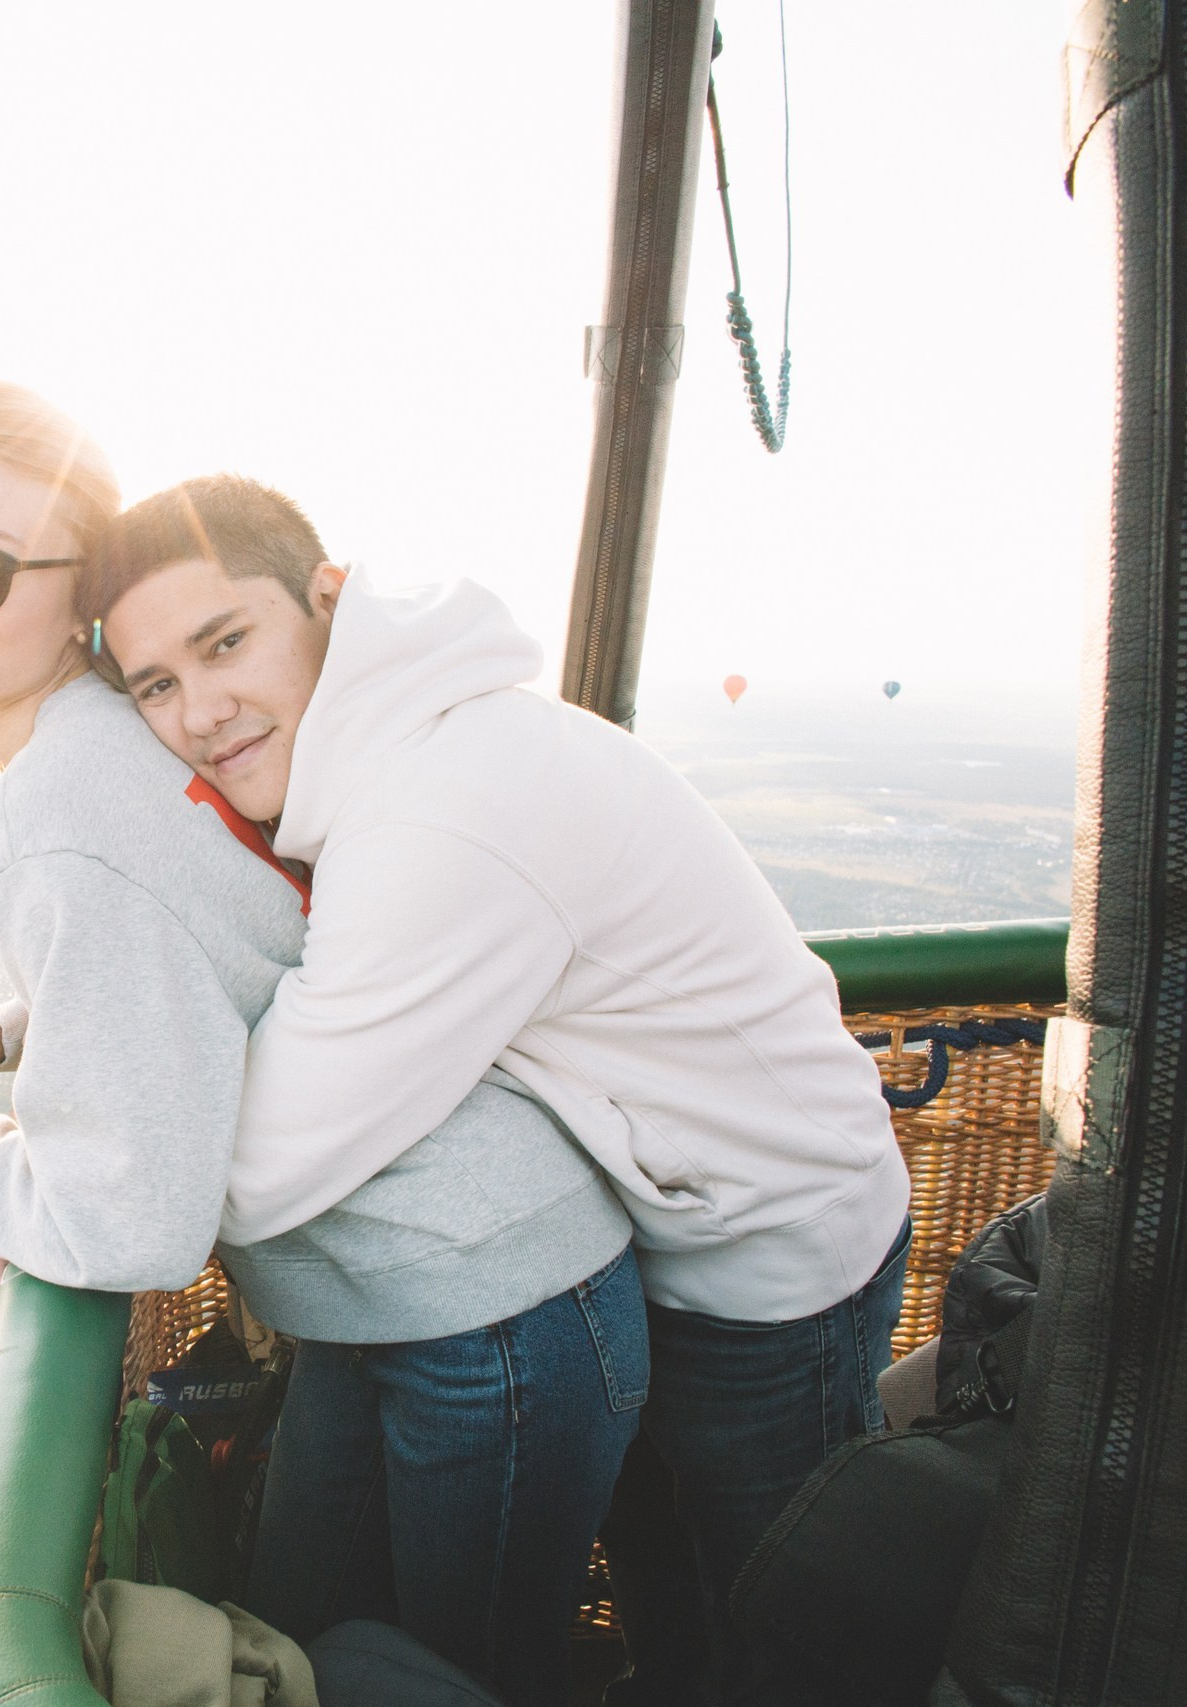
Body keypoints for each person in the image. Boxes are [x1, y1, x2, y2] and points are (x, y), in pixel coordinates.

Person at [0, 382, 646, 1707]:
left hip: (494, 1309)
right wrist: (2, 1030)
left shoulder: (64, 801)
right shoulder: (113, 743)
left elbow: (127, 1224)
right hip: (409, 1292)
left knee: (456, 1678)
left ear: (78, 595)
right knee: (297, 1634)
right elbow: (203, 952)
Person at [87, 473, 912, 1707]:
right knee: (669, 1607)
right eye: (155, 684)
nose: (202, 709)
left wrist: (59, 1186)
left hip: (769, 1257)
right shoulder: (385, 750)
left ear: (327, 599)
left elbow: (253, 1172)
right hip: (640, 1233)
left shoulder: (439, 809)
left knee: (770, 1628)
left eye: (225, 642)